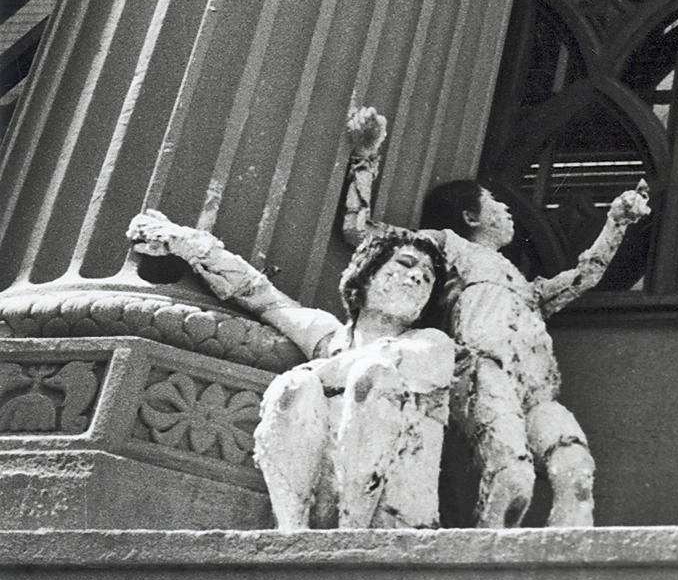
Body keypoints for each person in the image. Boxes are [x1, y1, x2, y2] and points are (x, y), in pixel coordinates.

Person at [341, 105, 648, 528]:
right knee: (513, 478)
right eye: (495, 203)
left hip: (538, 391)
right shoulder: (447, 245)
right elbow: (361, 231)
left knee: (575, 472)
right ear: (470, 217)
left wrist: (616, 223)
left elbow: (583, 277)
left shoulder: (524, 286)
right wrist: (364, 157)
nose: (508, 211)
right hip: (484, 373)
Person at [125, 209, 453, 530]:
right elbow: (263, 297)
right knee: (294, 386)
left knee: (373, 372)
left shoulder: (433, 344)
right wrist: (189, 243)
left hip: (394, 516)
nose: (416, 278)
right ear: (367, 275)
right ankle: (293, 531)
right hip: (323, 506)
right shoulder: (331, 337)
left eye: (427, 277)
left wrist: (318, 371)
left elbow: (384, 361)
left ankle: (354, 534)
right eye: (406, 264)